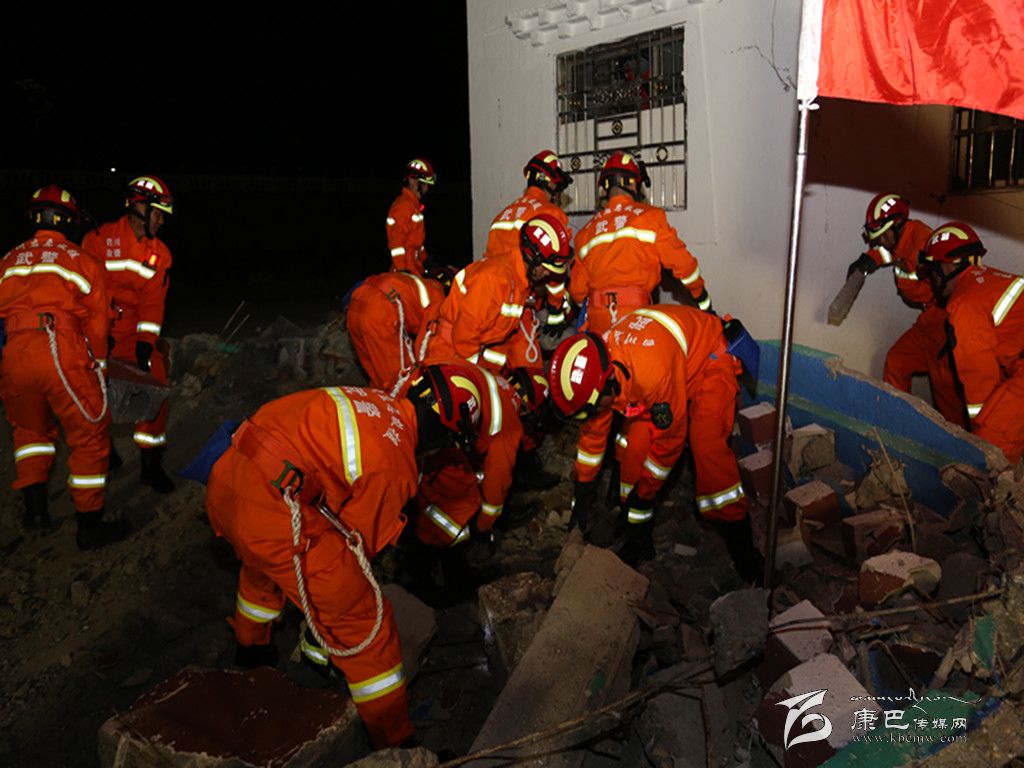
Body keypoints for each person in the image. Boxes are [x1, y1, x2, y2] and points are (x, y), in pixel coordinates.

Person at [205, 365, 482, 749]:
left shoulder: (376, 402)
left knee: (260, 569)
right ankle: (394, 745)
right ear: (441, 428)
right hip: (273, 515)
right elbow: (356, 546)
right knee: (367, 628)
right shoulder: (395, 463)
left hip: (228, 481)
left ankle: (251, 654)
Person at [547, 305, 761, 580]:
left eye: (594, 407)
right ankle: (638, 537)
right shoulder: (600, 368)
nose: (594, 414)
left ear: (608, 384)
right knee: (633, 449)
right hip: (666, 364)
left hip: (711, 360)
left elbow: (670, 441)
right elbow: (594, 436)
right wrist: (583, 494)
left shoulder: (651, 374)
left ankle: (744, 549)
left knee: (707, 448)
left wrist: (644, 494)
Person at [0, 185, 130, 549]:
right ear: (69, 221)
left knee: (29, 431)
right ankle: (89, 525)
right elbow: (98, 324)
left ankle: (36, 511)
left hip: (13, 353)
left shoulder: (7, 260)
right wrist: (99, 367)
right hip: (60, 348)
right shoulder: (81, 260)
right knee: (89, 433)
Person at [417, 214, 571, 489]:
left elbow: (498, 338)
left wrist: (505, 377)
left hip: (467, 358)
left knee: (503, 423)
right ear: (532, 258)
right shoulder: (495, 279)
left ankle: (491, 484)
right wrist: (490, 385)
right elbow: (464, 341)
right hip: (448, 358)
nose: (549, 274)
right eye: (546, 267)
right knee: (494, 431)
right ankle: (482, 496)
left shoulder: (517, 282)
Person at [82, 175, 176, 492]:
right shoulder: (98, 240)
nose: (162, 222)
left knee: (156, 383)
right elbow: (89, 292)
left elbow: (153, 304)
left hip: (133, 335)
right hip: (98, 332)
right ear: (139, 208)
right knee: (90, 395)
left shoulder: (160, 254)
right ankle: (104, 456)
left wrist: (146, 344)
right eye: (158, 214)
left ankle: (151, 463)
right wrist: (98, 332)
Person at [847, 193, 965, 427]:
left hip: (944, 321)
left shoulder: (924, 243)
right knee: (897, 361)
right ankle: (897, 427)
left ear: (898, 224)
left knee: (947, 393)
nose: (879, 242)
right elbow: (890, 251)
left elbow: (953, 283)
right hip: (928, 320)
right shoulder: (900, 239)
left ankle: (961, 442)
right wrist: (869, 259)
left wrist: (956, 328)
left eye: (882, 236)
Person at [569, 151, 711, 335]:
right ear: (633, 184)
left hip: (597, 322)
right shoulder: (651, 217)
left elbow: (577, 292)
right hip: (635, 318)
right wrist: (701, 297)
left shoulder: (585, 233)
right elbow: (683, 264)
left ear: (605, 188)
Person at [918, 222, 1024, 463]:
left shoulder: (964, 304)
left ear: (947, 266)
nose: (932, 280)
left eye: (933, 271)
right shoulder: (991, 280)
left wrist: (978, 432)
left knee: (988, 453)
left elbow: (979, 381)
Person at [485, 150, 574, 332]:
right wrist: (555, 308)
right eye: (558, 186)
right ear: (550, 182)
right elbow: (555, 267)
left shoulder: (502, 216)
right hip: (523, 306)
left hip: (491, 303)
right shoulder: (551, 214)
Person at [346, 270, 446, 393]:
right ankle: (398, 405)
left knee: (377, 375)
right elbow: (425, 346)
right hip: (379, 310)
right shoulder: (439, 299)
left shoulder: (414, 282)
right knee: (400, 379)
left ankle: (378, 402)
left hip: (355, 306)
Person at [387, 159, 435, 276]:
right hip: (407, 269)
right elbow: (396, 241)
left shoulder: (414, 207)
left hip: (415, 268)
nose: (426, 189)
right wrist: (402, 270)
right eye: (423, 184)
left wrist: (426, 259)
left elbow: (416, 241)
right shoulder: (403, 206)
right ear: (412, 181)